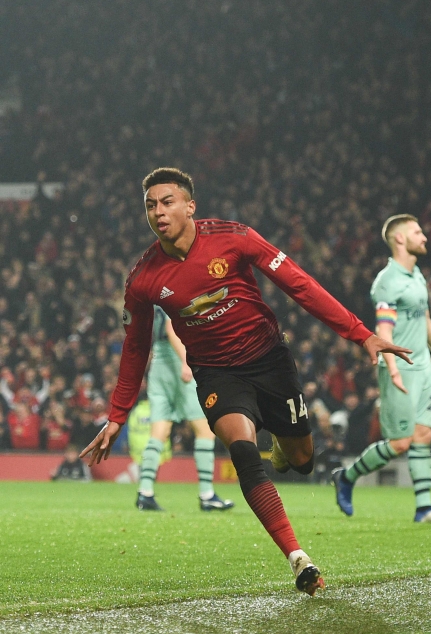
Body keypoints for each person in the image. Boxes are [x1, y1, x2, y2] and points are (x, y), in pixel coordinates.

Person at [79, 168, 411, 595]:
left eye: (167, 202)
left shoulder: (234, 238)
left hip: (270, 361)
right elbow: (134, 347)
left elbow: (299, 284)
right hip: (216, 373)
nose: (158, 212)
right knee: (242, 451)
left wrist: (360, 333)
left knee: (302, 459)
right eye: (150, 205)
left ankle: (281, 451)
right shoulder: (144, 278)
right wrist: (117, 415)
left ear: (189, 206)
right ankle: (299, 559)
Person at [332, 214, 431, 524]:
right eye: (418, 232)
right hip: (399, 369)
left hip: (423, 369)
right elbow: (383, 330)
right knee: (400, 442)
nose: (425, 237)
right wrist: (391, 369)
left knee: (423, 435)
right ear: (400, 239)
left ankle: (424, 508)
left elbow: (424, 317)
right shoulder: (386, 282)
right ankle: (347, 476)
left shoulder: (416, 276)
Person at [133, 306, 234, 512]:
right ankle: (207, 495)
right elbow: (172, 328)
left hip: (159, 364)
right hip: (178, 359)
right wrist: (186, 362)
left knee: (159, 433)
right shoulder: (173, 290)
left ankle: (145, 492)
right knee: (204, 430)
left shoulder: (154, 296)